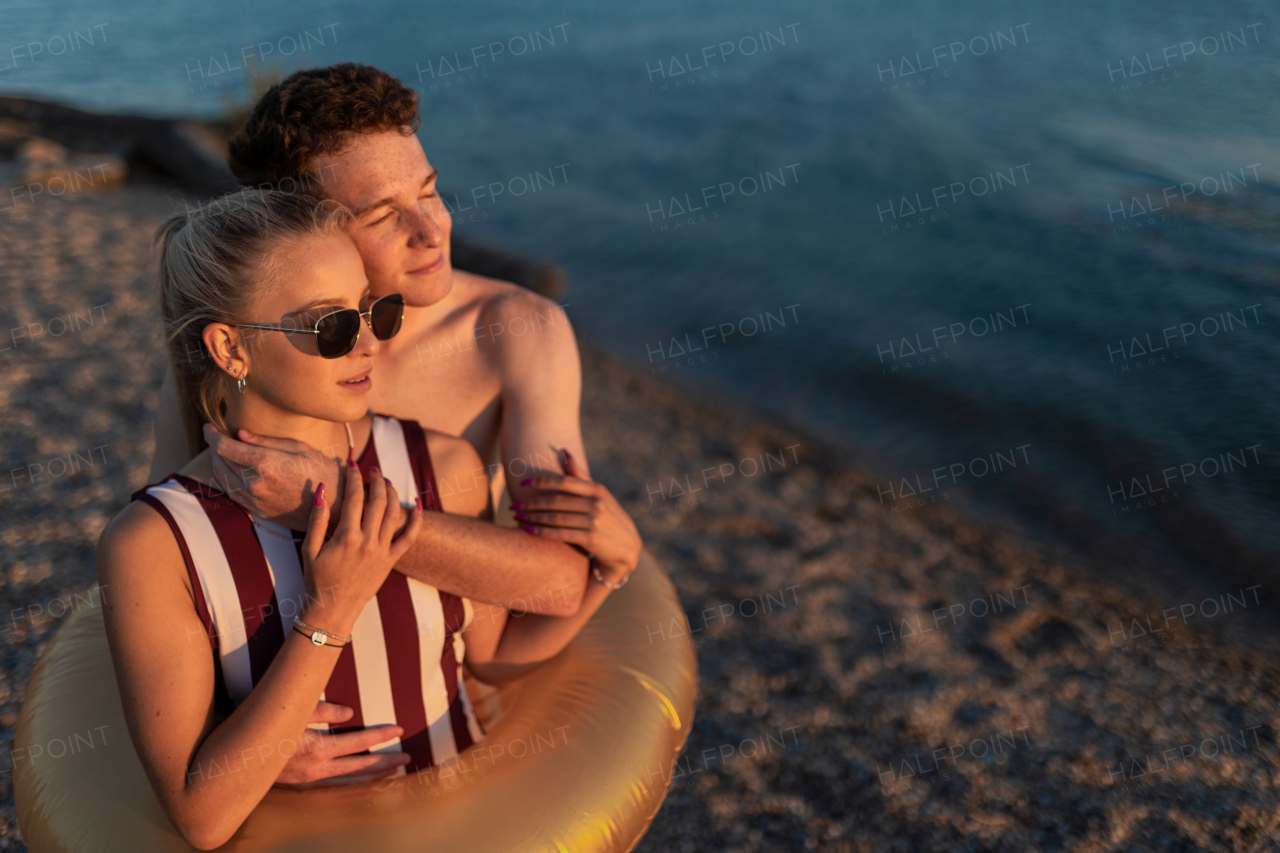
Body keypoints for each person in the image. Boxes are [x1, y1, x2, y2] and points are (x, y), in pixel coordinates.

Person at [147, 63, 642, 785]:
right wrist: (239, 737)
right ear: (308, 230)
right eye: (382, 215)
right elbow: (174, 567)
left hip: (438, 692)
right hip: (279, 701)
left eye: (431, 190)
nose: (431, 227)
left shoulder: (516, 330)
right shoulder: (235, 361)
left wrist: (338, 503)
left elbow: (555, 580)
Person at [100, 190, 632, 850]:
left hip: (465, 827)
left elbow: (490, 659)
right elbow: (201, 816)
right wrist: (328, 615)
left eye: (372, 311)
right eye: (332, 327)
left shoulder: (441, 463)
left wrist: (607, 574)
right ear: (230, 349)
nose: (369, 343)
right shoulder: (156, 542)